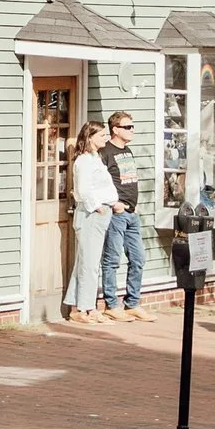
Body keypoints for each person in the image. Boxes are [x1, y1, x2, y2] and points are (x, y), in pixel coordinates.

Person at [66, 121, 120, 322]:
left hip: (101, 212)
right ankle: (86, 307)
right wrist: (97, 207)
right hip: (91, 215)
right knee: (89, 264)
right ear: (90, 138)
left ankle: (78, 307)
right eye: (101, 135)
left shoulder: (96, 158)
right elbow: (84, 189)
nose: (105, 138)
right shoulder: (84, 161)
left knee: (86, 262)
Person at [101, 110, 147, 317]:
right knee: (112, 259)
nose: (132, 130)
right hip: (116, 214)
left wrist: (134, 205)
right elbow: (99, 183)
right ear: (115, 129)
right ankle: (112, 305)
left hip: (132, 213)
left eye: (132, 126)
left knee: (138, 258)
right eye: (127, 127)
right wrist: (114, 204)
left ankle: (133, 303)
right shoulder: (106, 152)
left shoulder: (127, 151)